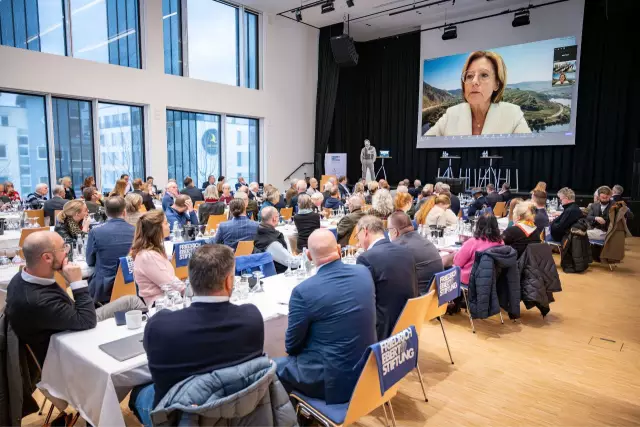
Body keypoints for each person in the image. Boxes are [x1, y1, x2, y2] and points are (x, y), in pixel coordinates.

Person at [130, 245, 264, 423]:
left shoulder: (160, 327)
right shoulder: (252, 318)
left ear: (191, 282)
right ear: (228, 282)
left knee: (138, 391)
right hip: (239, 414)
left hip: (178, 417)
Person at [6, 231, 145, 366]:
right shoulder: (37, 301)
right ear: (47, 257)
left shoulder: (22, 278)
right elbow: (88, 321)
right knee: (132, 303)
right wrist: (77, 283)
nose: (67, 251)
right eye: (63, 248)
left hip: (68, 324)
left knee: (131, 301)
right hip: (69, 349)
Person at [275, 229, 376, 404]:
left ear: (308, 256)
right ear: (338, 249)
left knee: (272, 367)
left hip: (334, 381)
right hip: (368, 370)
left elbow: (291, 346)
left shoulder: (303, 292)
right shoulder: (363, 272)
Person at [425, 50, 531, 136]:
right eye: (469, 76)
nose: (474, 81)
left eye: (484, 75)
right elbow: (425, 147)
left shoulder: (513, 115)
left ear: (497, 84)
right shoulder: (451, 114)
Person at [355, 216, 417, 340]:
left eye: (358, 236)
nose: (358, 242)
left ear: (365, 231)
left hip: (383, 326)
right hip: (408, 318)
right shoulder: (406, 251)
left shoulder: (366, 258)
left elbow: (363, 299)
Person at [86, 196, 136, 303]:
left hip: (104, 287)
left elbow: (90, 261)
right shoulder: (136, 231)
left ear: (106, 212)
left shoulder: (96, 232)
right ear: (124, 212)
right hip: (132, 284)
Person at [132, 210, 184, 306]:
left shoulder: (155, 251)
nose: (169, 225)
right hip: (160, 304)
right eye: (165, 223)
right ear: (156, 229)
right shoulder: (148, 256)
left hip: (169, 299)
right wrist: (191, 292)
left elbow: (171, 280)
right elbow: (169, 283)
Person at [388, 211, 443, 294]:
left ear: (395, 231)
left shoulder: (398, 248)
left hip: (418, 301)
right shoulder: (424, 240)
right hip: (436, 298)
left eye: (388, 229)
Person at [454, 213, 503, 285]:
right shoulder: (501, 242)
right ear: (496, 226)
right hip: (491, 280)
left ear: (478, 225)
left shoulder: (473, 242)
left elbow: (457, 263)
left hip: (469, 280)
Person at [254, 206, 296, 273]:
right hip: (281, 275)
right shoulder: (272, 242)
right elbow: (292, 263)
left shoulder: (258, 232)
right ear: (274, 219)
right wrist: (306, 257)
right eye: (278, 216)